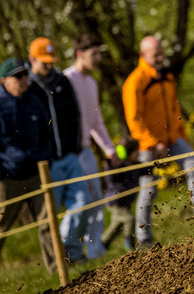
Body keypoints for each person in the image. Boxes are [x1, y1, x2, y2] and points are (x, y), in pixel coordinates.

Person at [122, 35, 194, 249]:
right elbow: (134, 120)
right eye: (156, 54)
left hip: (173, 139)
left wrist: (181, 136)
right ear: (143, 55)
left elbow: (174, 110)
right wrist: (154, 143)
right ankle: (144, 238)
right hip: (148, 145)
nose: (161, 57)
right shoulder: (135, 82)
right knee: (149, 188)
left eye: (161, 52)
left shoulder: (168, 77)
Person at [0, 59, 58, 286]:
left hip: (36, 174)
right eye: (18, 76)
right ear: (4, 81)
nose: (24, 80)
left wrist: (46, 160)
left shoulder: (34, 102)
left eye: (25, 75)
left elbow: (46, 133)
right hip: (7, 179)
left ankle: (57, 268)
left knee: (47, 222)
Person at [25, 37, 90, 263]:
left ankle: (72, 251)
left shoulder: (62, 81)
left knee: (83, 202)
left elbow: (75, 115)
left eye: (51, 61)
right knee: (50, 215)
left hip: (70, 157)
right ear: (32, 59)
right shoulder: (28, 87)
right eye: (44, 62)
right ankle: (58, 260)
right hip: (47, 164)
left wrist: (75, 147)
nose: (49, 66)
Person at [62, 33, 118, 259]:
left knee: (96, 201)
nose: (98, 59)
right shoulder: (66, 80)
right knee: (78, 203)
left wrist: (110, 149)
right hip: (69, 154)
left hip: (86, 152)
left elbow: (96, 121)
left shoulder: (92, 83)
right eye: (93, 54)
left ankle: (95, 252)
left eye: (99, 53)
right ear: (79, 55)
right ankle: (68, 250)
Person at [100, 138, 145, 252]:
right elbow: (110, 178)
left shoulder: (135, 165)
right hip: (116, 202)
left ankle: (103, 243)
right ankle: (130, 246)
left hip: (125, 203)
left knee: (116, 226)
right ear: (128, 153)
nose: (139, 153)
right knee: (129, 220)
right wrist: (111, 163)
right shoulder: (118, 166)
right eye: (136, 151)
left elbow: (147, 169)